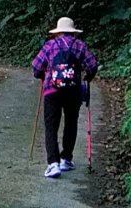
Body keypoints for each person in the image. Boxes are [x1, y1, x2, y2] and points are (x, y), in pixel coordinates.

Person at [31, 17, 98, 178]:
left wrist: (41, 75)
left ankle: (53, 164)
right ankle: (66, 159)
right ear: (73, 32)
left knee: (51, 126)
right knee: (71, 123)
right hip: (73, 91)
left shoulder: (50, 45)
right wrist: (88, 77)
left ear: (58, 32)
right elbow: (93, 66)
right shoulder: (79, 45)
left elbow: (36, 67)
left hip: (52, 91)